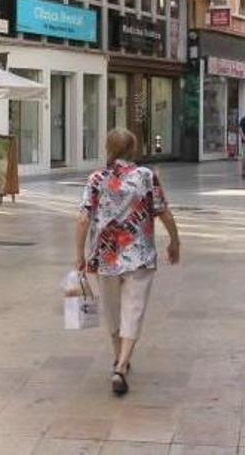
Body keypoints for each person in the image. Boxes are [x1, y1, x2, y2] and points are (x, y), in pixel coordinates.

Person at [75, 129, 181, 395]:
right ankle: (121, 365)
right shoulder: (146, 176)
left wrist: (79, 253)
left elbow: (83, 218)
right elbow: (163, 212)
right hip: (139, 255)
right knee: (133, 309)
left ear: (108, 148)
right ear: (133, 148)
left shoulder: (96, 178)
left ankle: (118, 358)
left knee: (111, 311)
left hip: (105, 255)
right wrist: (174, 240)